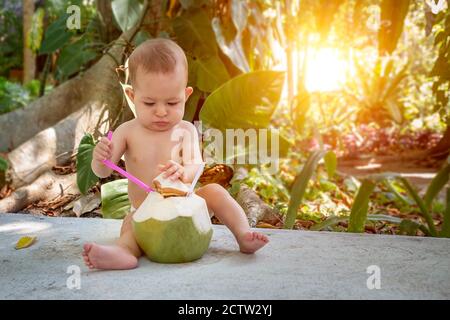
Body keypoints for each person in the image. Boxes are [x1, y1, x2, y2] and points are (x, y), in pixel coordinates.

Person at [82, 38, 269, 270]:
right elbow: (103, 170)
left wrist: (184, 172)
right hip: (145, 213)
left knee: (214, 192)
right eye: (149, 103)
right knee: (130, 224)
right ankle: (124, 252)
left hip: (186, 206)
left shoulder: (185, 130)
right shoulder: (126, 132)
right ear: (132, 96)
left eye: (172, 102)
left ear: (186, 95)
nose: (161, 112)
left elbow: (195, 165)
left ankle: (243, 235)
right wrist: (100, 158)